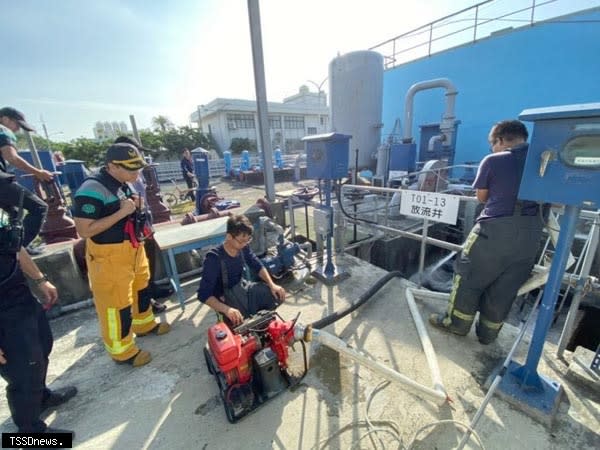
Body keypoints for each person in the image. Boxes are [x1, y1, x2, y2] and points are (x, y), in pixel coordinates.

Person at [429, 120, 544, 344]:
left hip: (494, 231)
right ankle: (488, 334)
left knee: (469, 277)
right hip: (531, 236)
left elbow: (482, 197)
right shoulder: (543, 162)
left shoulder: (494, 160)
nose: (493, 149)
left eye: (493, 144)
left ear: (500, 140)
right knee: (506, 287)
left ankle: (457, 324)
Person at [72, 143, 170, 368]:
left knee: (141, 288)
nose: (136, 174)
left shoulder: (122, 183)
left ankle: (144, 324)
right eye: (130, 169)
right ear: (112, 166)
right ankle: (122, 350)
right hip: (109, 255)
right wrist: (122, 211)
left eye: (138, 168)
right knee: (117, 304)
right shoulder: (91, 189)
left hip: (132, 249)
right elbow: (84, 230)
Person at [0, 183, 76, 435]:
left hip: (19, 295)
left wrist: (40, 279)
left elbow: (14, 246)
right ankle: (29, 434)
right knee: (22, 369)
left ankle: (41, 397)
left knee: (41, 347)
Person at [113, 136, 172, 314]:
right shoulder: (117, 177)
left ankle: (152, 288)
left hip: (144, 222)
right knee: (138, 268)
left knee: (149, 260)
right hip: (131, 230)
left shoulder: (135, 172)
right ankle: (145, 300)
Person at [197, 214, 286, 326]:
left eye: (248, 240)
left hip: (242, 288)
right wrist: (226, 310)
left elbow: (257, 265)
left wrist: (272, 284)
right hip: (224, 300)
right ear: (229, 236)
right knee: (239, 327)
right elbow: (203, 295)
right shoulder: (213, 259)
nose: (244, 244)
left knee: (275, 295)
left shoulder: (243, 247)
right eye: (241, 241)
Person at [0, 107, 54, 252]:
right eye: (17, 125)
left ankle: (9, 249)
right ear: (5, 119)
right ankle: (20, 248)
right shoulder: (3, 130)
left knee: (9, 215)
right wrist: (38, 172)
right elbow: (12, 157)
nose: (17, 130)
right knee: (39, 207)